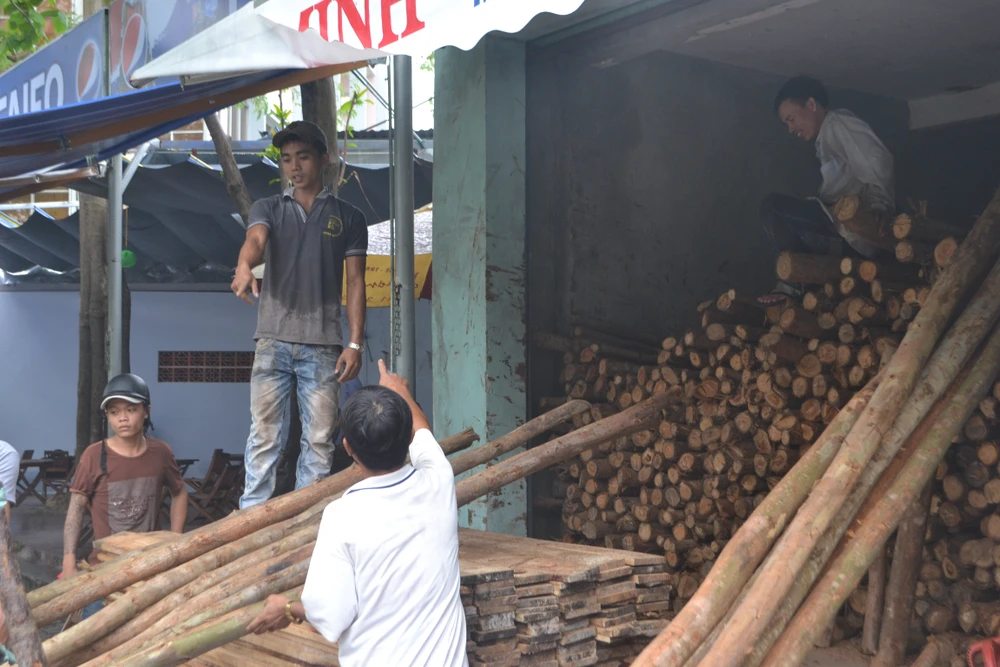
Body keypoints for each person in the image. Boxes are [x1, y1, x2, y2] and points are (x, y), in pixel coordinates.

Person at [247, 360, 468, 667]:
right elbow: (422, 429)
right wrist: (399, 390)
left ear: (347, 448)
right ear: (407, 441)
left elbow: (331, 616)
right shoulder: (439, 481)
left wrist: (286, 608)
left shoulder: (342, 516)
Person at [231, 120, 368, 509]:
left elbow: (355, 282)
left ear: (324, 159)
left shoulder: (350, 217)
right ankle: (250, 525)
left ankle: (308, 527)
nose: (294, 166)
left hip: (325, 346)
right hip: (272, 341)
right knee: (264, 437)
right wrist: (244, 266)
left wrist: (355, 342)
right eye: (287, 159)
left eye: (303, 157)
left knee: (320, 441)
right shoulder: (269, 207)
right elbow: (255, 241)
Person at [760, 76, 895, 304]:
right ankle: (807, 284)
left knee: (773, 207)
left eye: (791, 119)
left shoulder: (837, 122)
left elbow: (877, 159)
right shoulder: (824, 139)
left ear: (811, 105)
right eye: (787, 124)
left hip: (851, 235)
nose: (791, 129)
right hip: (841, 237)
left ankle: (793, 284)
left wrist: (880, 204)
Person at [62, 373, 188, 618]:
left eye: (131, 409)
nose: (122, 418)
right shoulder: (93, 455)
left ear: (146, 411)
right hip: (104, 570)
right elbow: (76, 508)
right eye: (114, 412)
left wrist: (176, 540)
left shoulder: (161, 453)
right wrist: (68, 561)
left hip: (150, 567)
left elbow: (179, 493)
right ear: (107, 416)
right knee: (93, 640)